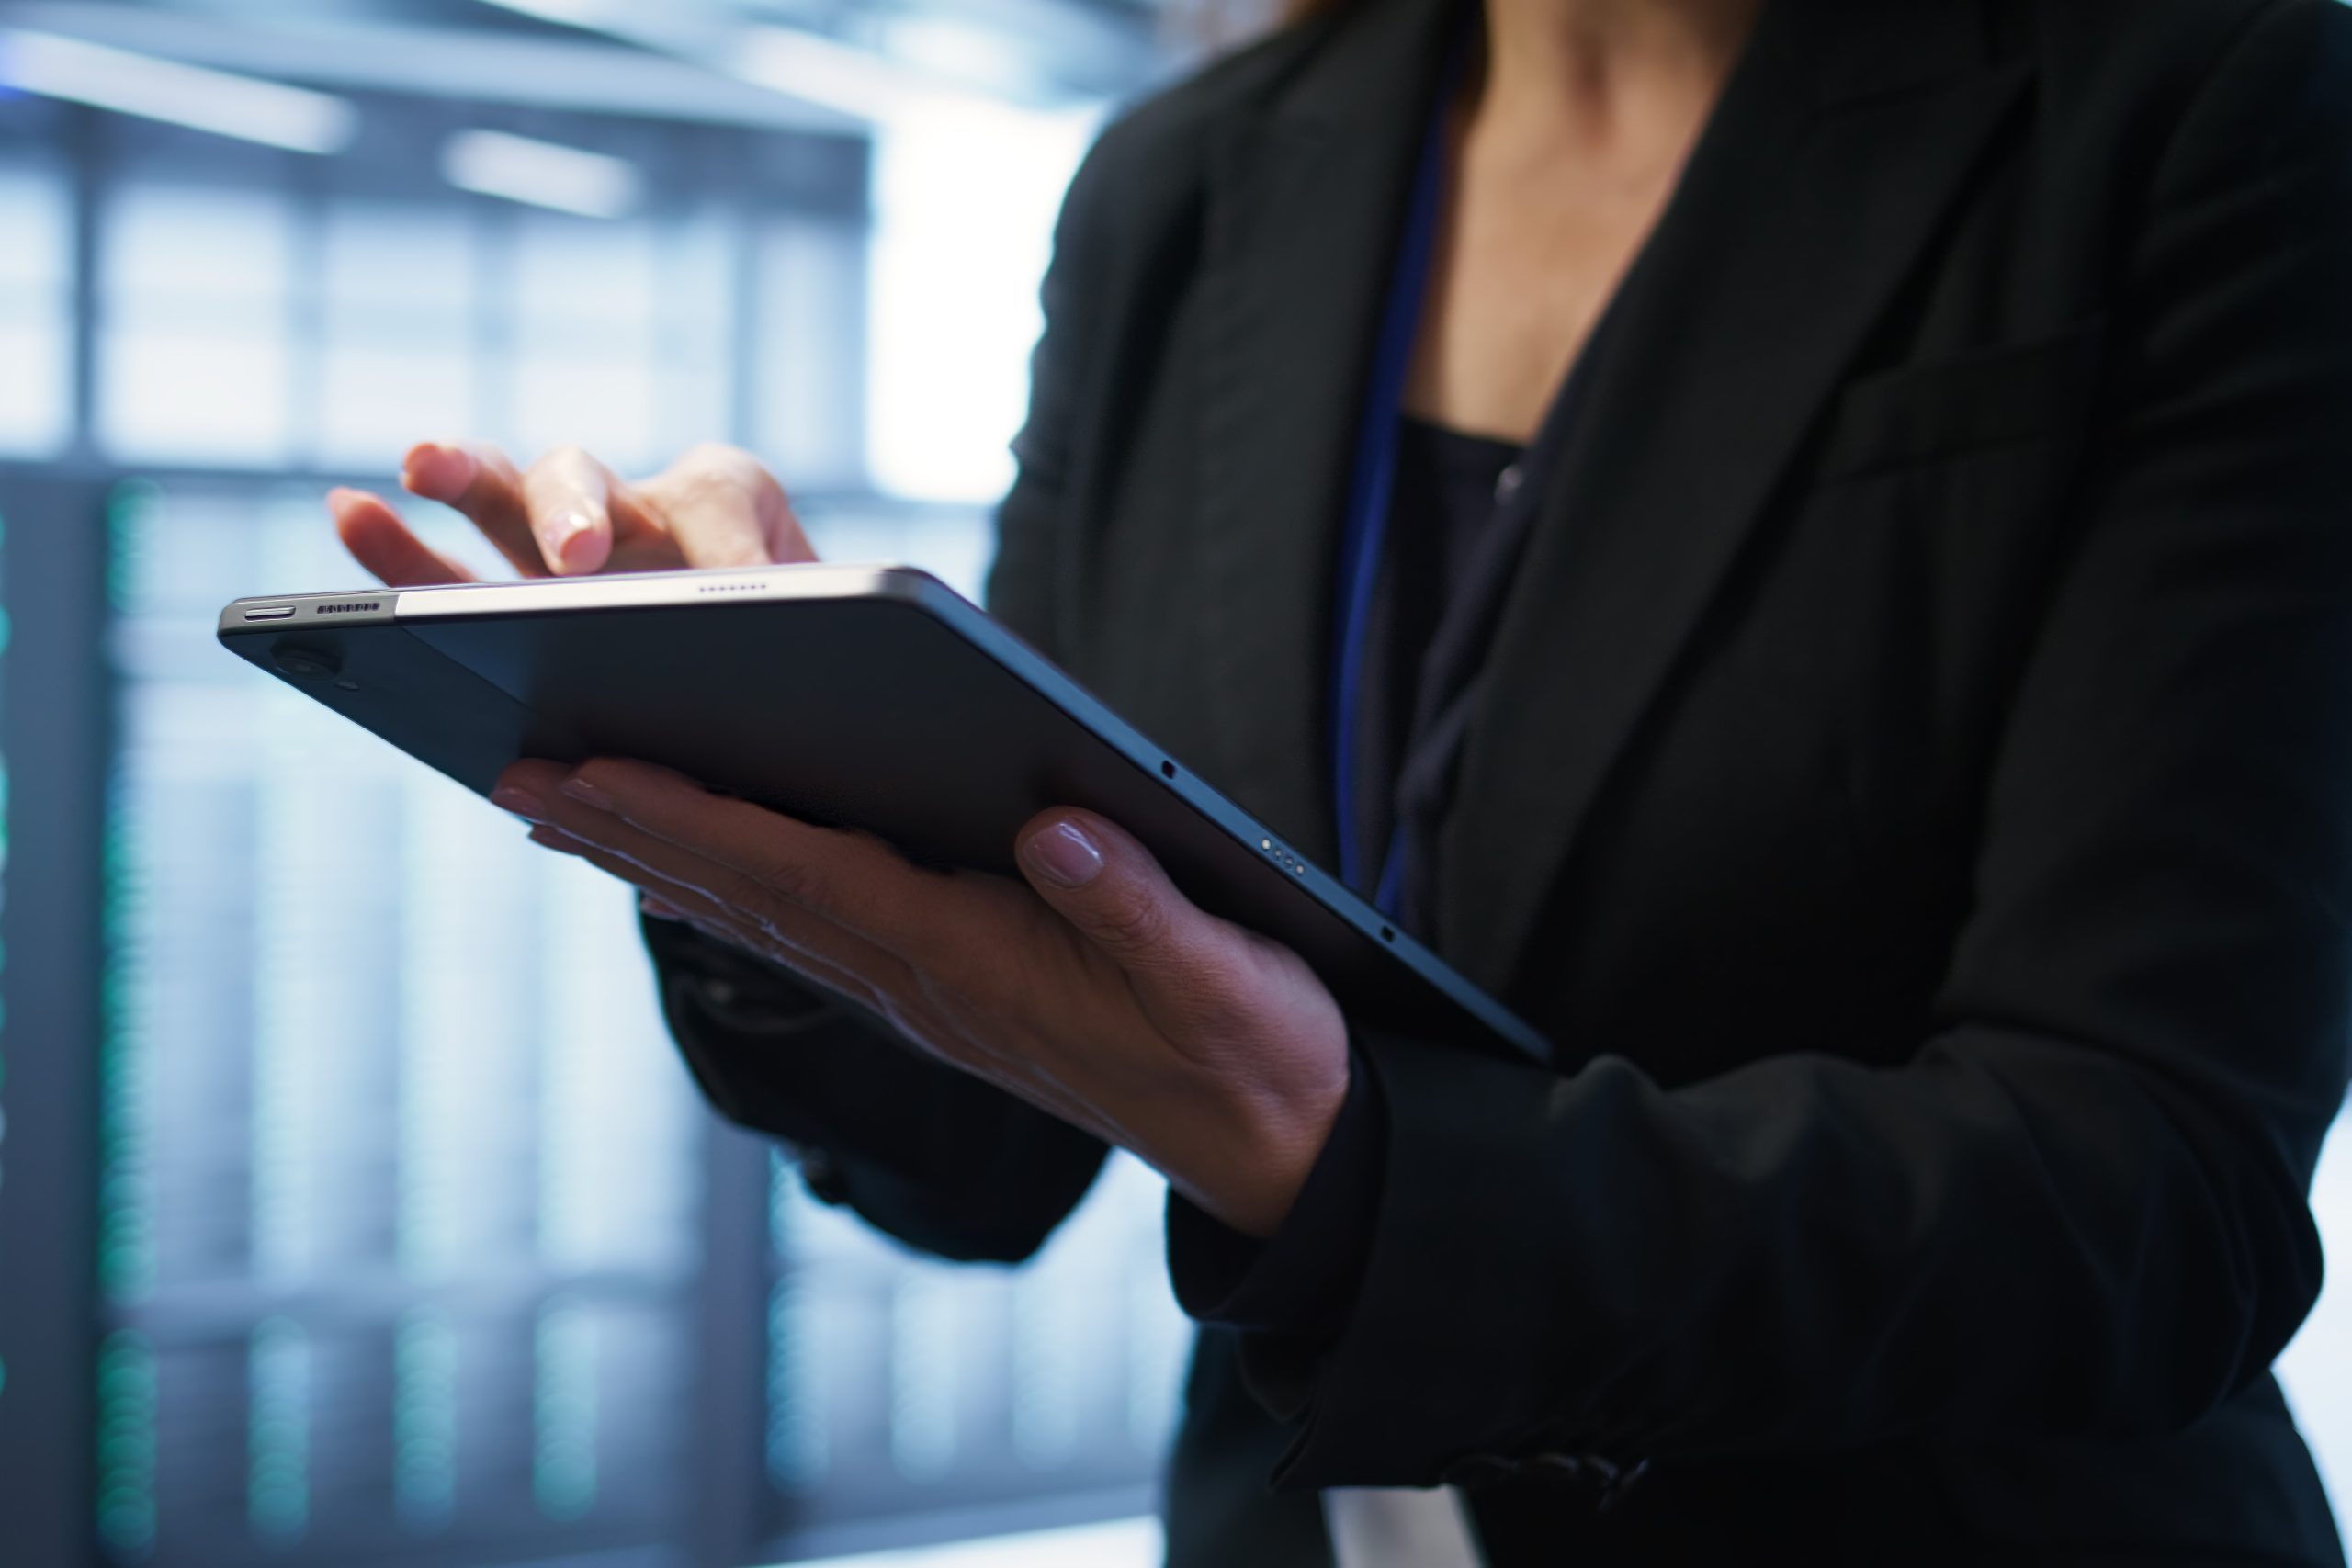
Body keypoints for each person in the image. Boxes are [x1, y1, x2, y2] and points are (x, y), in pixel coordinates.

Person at [326, 0, 2352, 1559]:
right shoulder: (1190, 188)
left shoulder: (2206, 107)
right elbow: (980, 1152)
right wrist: (744, 778)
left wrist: (1353, 1171)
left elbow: (2152, 1197)